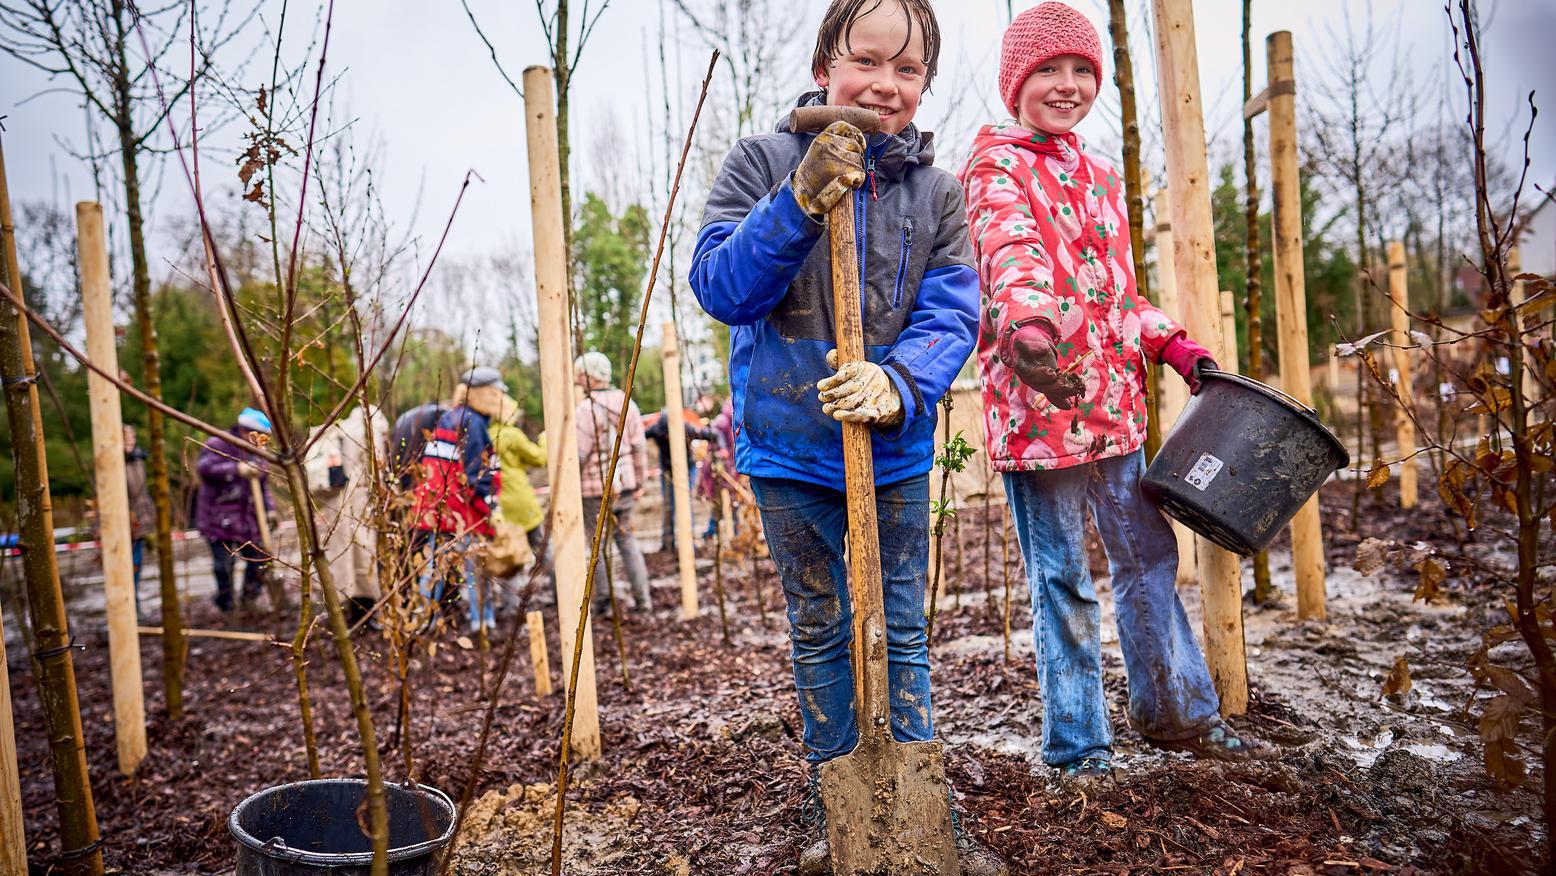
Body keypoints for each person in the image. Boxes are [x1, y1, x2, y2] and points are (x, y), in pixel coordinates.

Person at [688, 2, 1002, 872]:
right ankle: (839, 810)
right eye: (868, 61)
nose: (885, 85)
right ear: (829, 60)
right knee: (821, 624)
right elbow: (722, 287)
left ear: (925, 84)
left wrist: (898, 384)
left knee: (900, 629)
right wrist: (794, 204)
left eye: (909, 72)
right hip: (787, 450)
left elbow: (952, 311)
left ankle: (915, 807)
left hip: (892, 452)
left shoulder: (935, 192)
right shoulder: (760, 161)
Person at [958, 1, 1277, 790]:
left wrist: (1170, 341)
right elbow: (1010, 252)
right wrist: (1028, 326)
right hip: (1041, 411)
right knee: (1062, 576)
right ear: (1015, 82)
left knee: (1148, 558)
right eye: (1048, 71)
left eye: (1081, 72)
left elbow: (1115, 292)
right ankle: (1078, 745)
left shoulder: (1098, 173)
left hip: (1115, 410)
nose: (1067, 86)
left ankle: (1179, 713)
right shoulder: (994, 164)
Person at [409, 367, 502, 633]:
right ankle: (482, 622)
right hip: (459, 511)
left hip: (435, 507)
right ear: (484, 394)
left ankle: (422, 622)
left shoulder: (451, 417)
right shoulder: (472, 424)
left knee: (434, 566)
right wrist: (487, 507)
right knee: (475, 566)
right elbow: (475, 475)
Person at [574, 351, 652, 615]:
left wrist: (570, 484)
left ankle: (603, 602)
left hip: (594, 489)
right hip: (626, 484)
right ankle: (643, 600)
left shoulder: (585, 410)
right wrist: (639, 481)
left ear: (589, 377)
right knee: (627, 541)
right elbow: (639, 446)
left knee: (596, 544)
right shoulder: (627, 403)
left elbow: (580, 454)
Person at [304, 405, 389, 628]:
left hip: (336, 505)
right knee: (364, 557)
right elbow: (377, 468)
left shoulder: (342, 429)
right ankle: (366, 614)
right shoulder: (372, 427)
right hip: (358, 501)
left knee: (341, 560)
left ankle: (341, 612)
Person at [195, 407, 276, 614]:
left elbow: (262, 485)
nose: (262, 441)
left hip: (245, 519)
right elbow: (205, 469)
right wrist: (236, 470)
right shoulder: (218, 444)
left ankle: (249, 599)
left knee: (260, 558)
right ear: (247, 431)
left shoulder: (257, 454)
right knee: (224, 566)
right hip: (218, 519)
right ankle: (227, 605)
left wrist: (270, 510)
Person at [644, 407, 715, 551]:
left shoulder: (686, 428)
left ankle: (689, 543)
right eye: (666, 435)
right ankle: (667, 542)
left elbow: (711, 435)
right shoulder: (656, 430)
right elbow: (638, 436)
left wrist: (716, 449)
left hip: (687, 469)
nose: (668, 438)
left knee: (685, 505)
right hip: (667, 469)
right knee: (669, 505)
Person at [123, 424, 155, 616]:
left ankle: (134, 604)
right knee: (128, 566)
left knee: (137, 564)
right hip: (125, 524)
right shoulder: (114, 463)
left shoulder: (138, 461)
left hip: (140, 523)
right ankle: (129, 606)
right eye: (126, 440)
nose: (130, 444)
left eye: (132, 439)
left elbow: (142, 494)